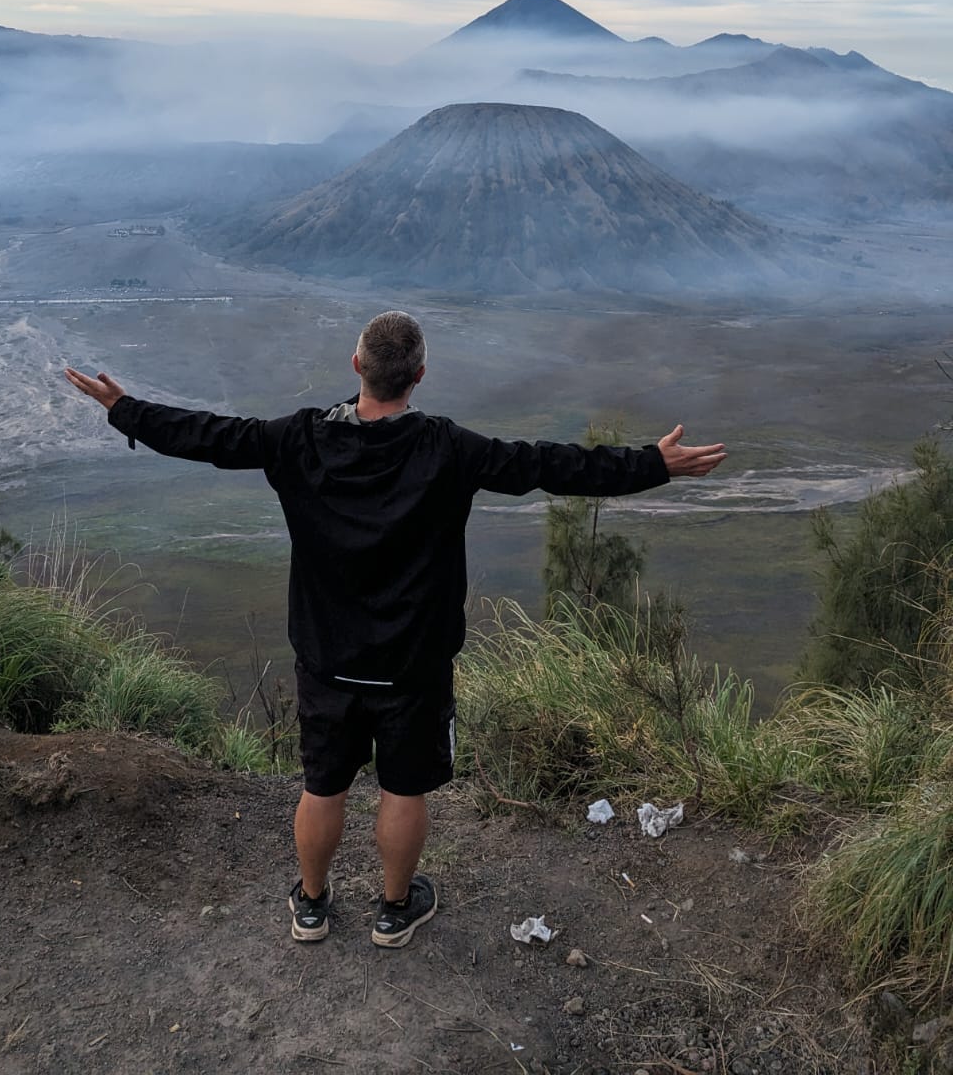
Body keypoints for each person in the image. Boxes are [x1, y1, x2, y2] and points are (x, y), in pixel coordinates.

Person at [65, 310, 724, 949]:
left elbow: (209, 435)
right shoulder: (449, 449)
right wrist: (653, 463)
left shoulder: (297, 439)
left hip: (326, 660)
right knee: (403, 788)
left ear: (357, 365)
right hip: (412, 665)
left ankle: (313, 905)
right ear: (420, 375)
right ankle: (393, 911)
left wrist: (124, 409)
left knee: (322, 785)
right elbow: (548, 465)